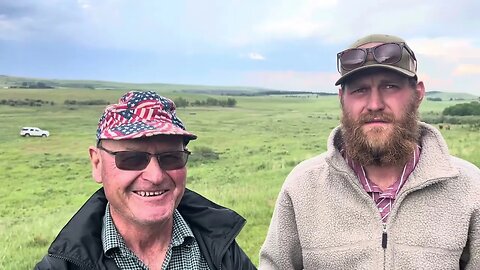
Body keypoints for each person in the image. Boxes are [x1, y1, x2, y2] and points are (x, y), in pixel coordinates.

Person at [259, 34, 480, 269]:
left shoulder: (468, 187)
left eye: (390, 86)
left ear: (418, 94)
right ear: (342, 99)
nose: (375, 104)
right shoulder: (302, 186)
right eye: (360, 90)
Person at [35, 91, 256, 270]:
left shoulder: (221, 246)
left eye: (171, 158)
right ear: (97, 164)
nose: (156, 176)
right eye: (131, 159)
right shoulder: (62, 266)